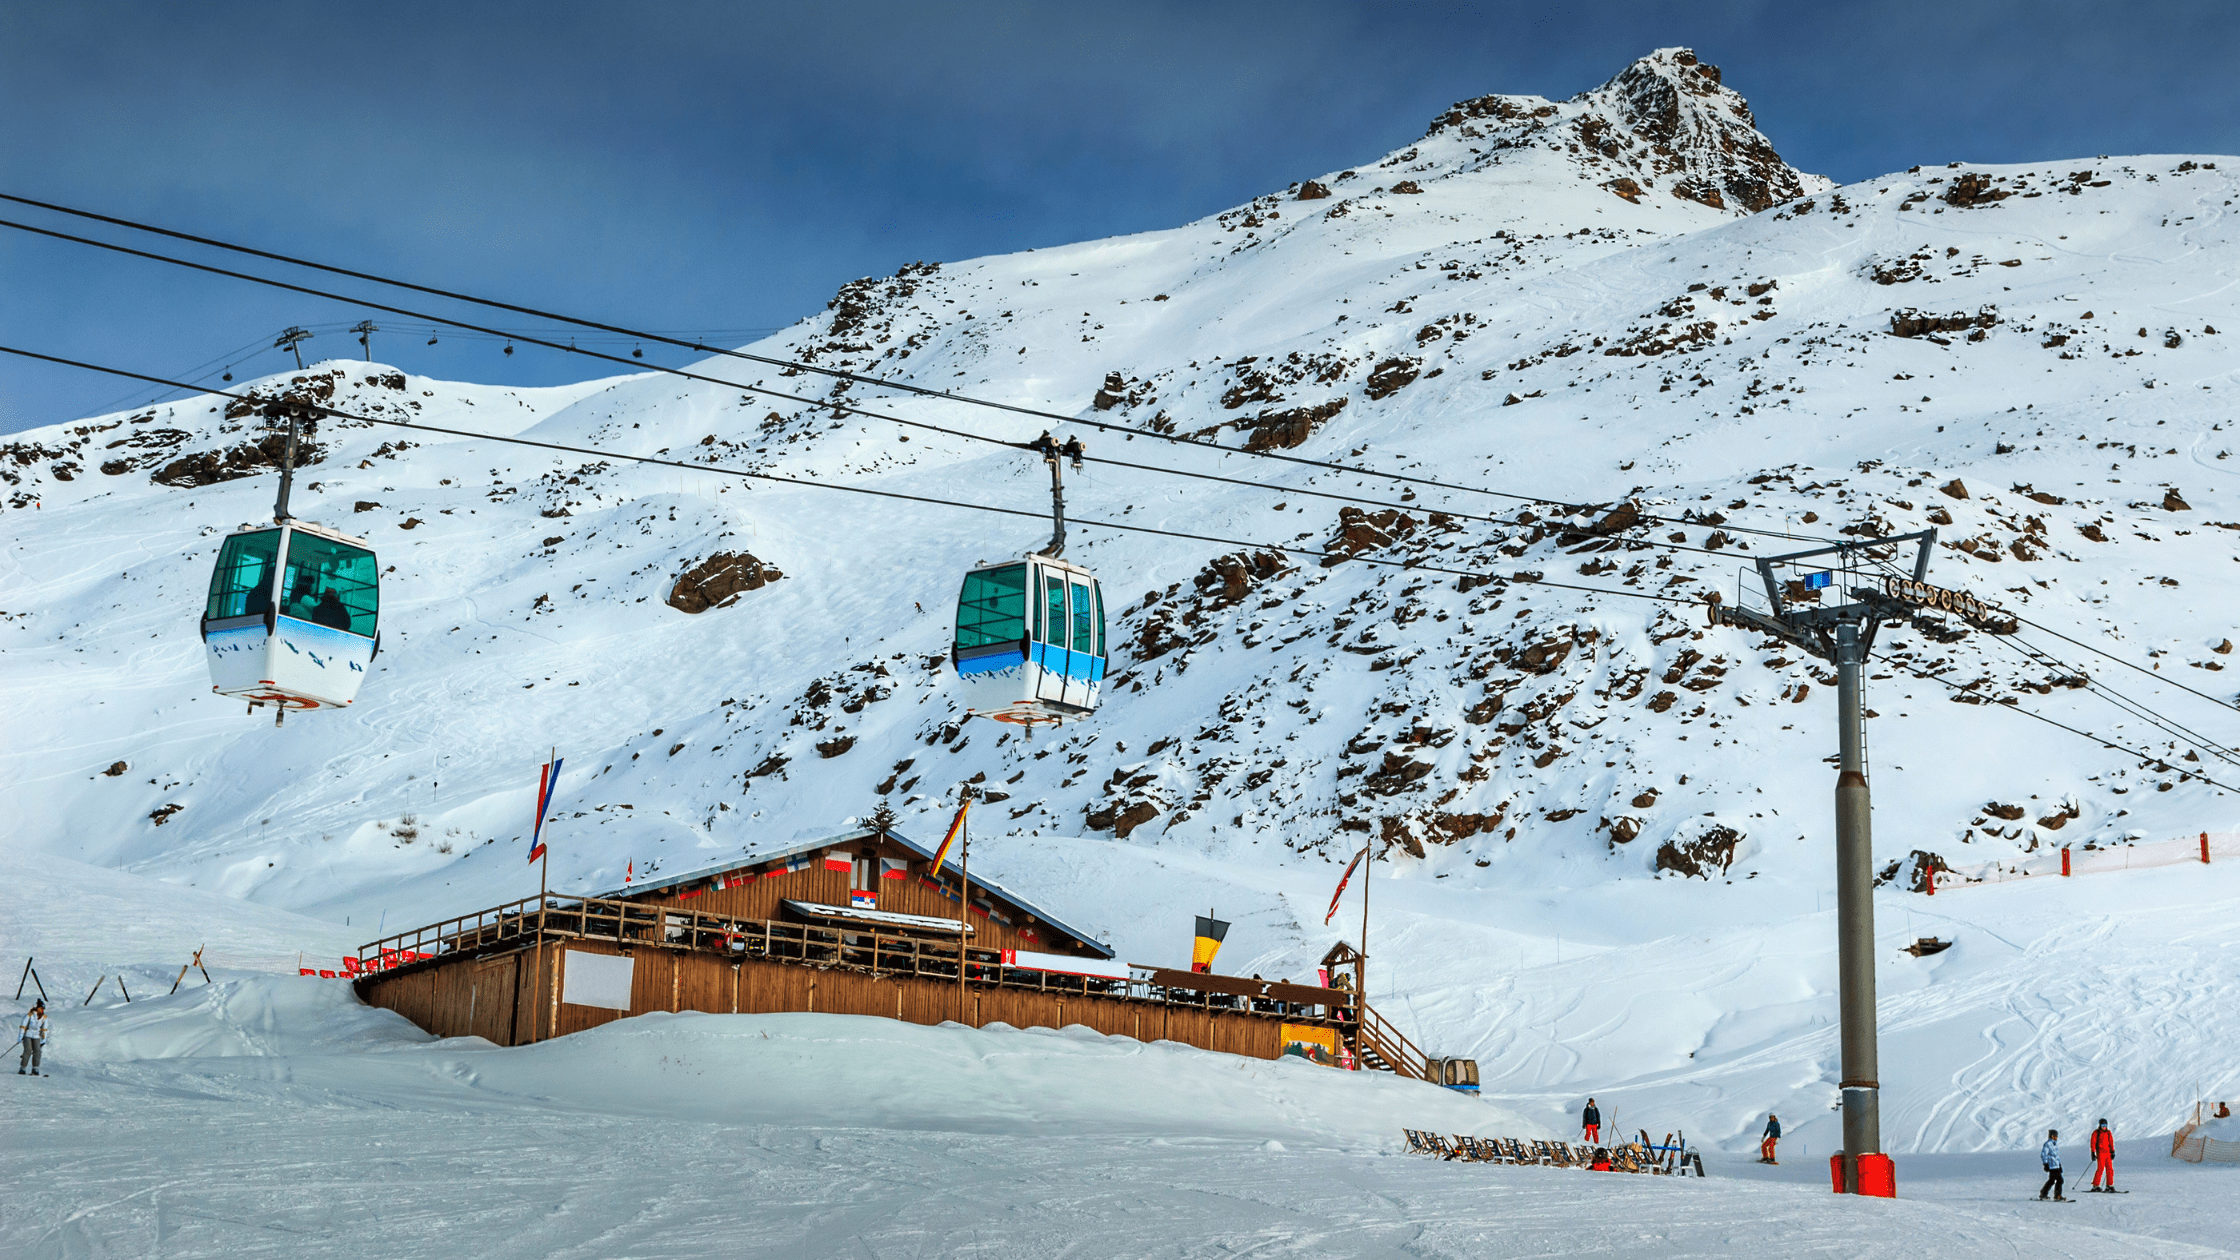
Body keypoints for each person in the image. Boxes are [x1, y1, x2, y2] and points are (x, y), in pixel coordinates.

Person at [17, 1002, 47, 1075]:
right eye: (41, 1008)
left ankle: (35, 1068)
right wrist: (20, 1036)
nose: (42, 1010)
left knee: (37, 1051)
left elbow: (44, 1029)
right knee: (28, 1050)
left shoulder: (44, 1017)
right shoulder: (30, 1015)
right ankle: (23, 1067)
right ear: (37, 1008)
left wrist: (44, 1038)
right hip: (28, 1035)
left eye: (43, 1009)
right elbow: (23, 1026)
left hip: (36, 1036)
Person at [2040, 1128, 2067, 1201]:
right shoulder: (2047, 1144)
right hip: (2051, 1165)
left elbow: (2056, 1156)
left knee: (2052, 1180)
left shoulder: (2055, 1144)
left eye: (2056, 1136)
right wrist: (2045, 1164)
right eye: (2053, 1136)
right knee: (2060, 1180)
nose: (2055, 1138)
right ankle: (2057, 1195)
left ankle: (2043, 1193)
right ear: (2050, 1136)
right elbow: (2043, 1154)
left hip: (2056, 1165)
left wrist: (2059, 1165)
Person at [2089, 1119, 2116, 1191]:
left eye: (2105, 1125)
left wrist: (2113, 1151)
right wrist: (2093, 1153)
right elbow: (2093, 1143)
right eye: (2102, 1125)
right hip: (2100, 1153)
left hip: (2108, 1153)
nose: (2104, 1127)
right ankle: (2095, 1185)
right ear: (2099, 1125)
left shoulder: (2108, 1132)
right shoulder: (2096, 1133)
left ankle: (2109, 1185)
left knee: (2110, 1169)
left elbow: (2111, 1142)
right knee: (2100, 1169)